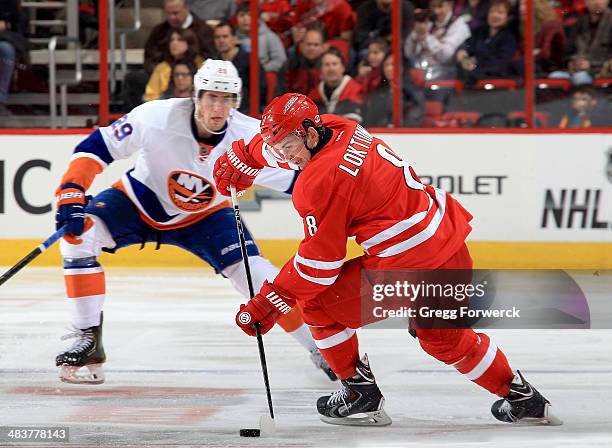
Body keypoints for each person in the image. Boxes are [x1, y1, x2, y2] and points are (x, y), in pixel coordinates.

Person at [213, 93, 561, 426]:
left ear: (308, 132)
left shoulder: (318, 181)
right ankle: (524, 399)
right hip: (448, 241)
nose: (286, 158)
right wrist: (249, 156)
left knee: (318, 303)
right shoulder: (340, 127)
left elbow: (319, 266)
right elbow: (286, 145)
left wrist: (269, 301)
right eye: (278, 149)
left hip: (407, 268)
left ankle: (359, 393)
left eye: (288, 147)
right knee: (444, 338)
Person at [54, 61, 336, 385]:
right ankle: (88, 338)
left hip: (209, 216)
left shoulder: (250, 138)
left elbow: (300, 181)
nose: (218, 107)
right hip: (139, 199)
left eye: (227, 99)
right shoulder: (154, 117)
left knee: (257, 276)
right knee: (78, 236)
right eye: (211, 97)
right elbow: (97, 147)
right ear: (195, 95)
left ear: (236, 102)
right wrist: (72, 190)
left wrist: (335, 208)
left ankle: (320, 346)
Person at [405, 0, 471, 81]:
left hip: (447, 77)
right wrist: (415, 35)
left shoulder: (459, 26)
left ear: (450, 4)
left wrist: (425, 35)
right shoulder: (428, 22)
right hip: (421, 73)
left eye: (440, 6)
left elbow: (445, 55)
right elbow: (409, 54)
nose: (436, 11)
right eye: (433, 6)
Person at [549, 0, 612, 85]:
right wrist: (570, 62)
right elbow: (568, 51)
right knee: (554, 76)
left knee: (580, 77)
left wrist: (591, 63)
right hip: (578, 70)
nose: (597, 2)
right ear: (586, 2)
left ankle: (584, 98)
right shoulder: (579, 22)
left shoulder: (610, 22)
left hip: (601, 71)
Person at [456, 0, 517, 84]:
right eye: (492, 11)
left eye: (500, 12)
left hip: (493, 83)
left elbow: (500, 64)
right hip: (470, 79)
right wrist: (463, 54)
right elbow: (467, 47)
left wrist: (475, 66)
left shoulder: (508, 38)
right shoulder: (479, 32)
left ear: (508, 17)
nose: (494, 15)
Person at [213, 21, 266, 114]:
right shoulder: (213, 62)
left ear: (234, 38)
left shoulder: (250, 60)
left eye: (225, 36)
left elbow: (260, 89)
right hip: (218, 109)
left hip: (245, 111)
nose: (221, 40)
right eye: (217, 37)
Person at [144, 28, 204, 102]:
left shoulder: (201, 65)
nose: (174, 43)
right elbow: (150, 96)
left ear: (189, 43)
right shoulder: (162, 67)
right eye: (172, 40)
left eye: (180, 40)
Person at [309, 47, 364, 122]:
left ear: (343, 67)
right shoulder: (314, 95)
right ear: (321, 69)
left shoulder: (357, 90)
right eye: (327, 65)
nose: (331, 69)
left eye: (334, 64)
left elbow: (355, 122)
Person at [234, 4, 287, 74]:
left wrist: (261, 71)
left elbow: (280, 60)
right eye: (242, 15)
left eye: (250, 15)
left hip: (262, 78)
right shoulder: (231, 37)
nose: (245, 19)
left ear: (258, 19)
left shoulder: (270, 37)